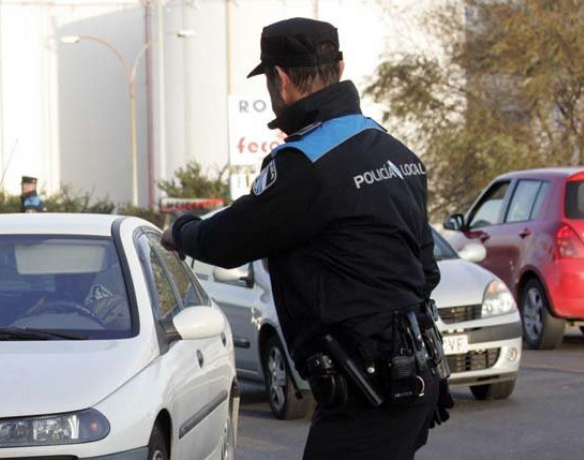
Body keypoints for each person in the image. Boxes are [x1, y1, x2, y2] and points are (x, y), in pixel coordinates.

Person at [161, 18, 452, 460]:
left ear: (279, 78)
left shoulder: (305, 163)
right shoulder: (395, 152)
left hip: (365, 388)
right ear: (339, 66)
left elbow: (227, 241)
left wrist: (181, 230)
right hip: (411, 375)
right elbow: (426, 271)